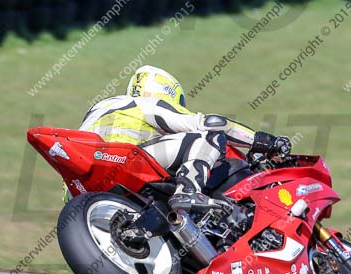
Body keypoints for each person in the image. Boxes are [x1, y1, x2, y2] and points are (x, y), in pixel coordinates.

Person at [79, 65, 291, 212]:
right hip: (129, 160)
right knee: (209, 137)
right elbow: (211, 123)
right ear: (166, 91)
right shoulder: (145, 103)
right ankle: (188, 192)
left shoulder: (97, 108)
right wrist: (263, 141)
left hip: (86, 186)